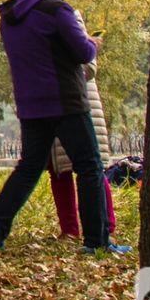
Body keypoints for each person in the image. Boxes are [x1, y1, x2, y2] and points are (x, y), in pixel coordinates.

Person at [0, 0, 127, 254]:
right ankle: (97, 242)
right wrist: (93, 43)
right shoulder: (58, 9)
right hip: (65, 100)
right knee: (89, 167)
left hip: (30, 103)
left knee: (30, 167)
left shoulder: (8, 16)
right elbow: (82, 52)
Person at [49, 53, 116, 240]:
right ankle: (69, 228)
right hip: (53, 106)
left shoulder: (72, 24)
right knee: (60, 172)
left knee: (92, 170)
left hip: (79, 103)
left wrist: (53, 77)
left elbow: (89, 67)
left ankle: (106, 225)